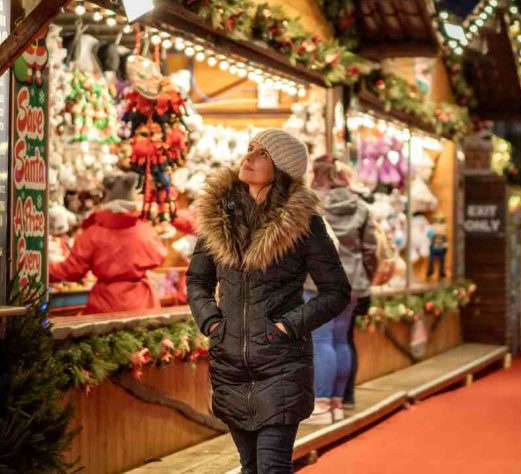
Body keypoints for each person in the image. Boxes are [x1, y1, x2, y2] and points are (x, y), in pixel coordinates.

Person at [187, 129, 351, 474]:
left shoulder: (303, 224)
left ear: (282, 168)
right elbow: (197, 280)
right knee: (250, 467)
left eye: (262, 154)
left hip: (281, 363)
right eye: (249, 149)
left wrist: (287, 325)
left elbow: (336, 291)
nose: (248, 158)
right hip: (230, 364)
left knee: (272, 466)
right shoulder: (219, 220)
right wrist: (213, 324)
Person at [304, 156, 378, 423]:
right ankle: (337, 403)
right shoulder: (360, 205)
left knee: (320, 341)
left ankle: (321, 406)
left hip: (318, 283)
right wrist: (365, 277)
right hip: (353, 282)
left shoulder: (310, 203)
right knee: (340, 340)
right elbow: (370, 249)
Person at [50, 171, 167, 314]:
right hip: (144, 304)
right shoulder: (146, 231)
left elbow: (71, 271)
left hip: (106, 305)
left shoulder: (92, 234)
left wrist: (41, 271)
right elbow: (160, 256)